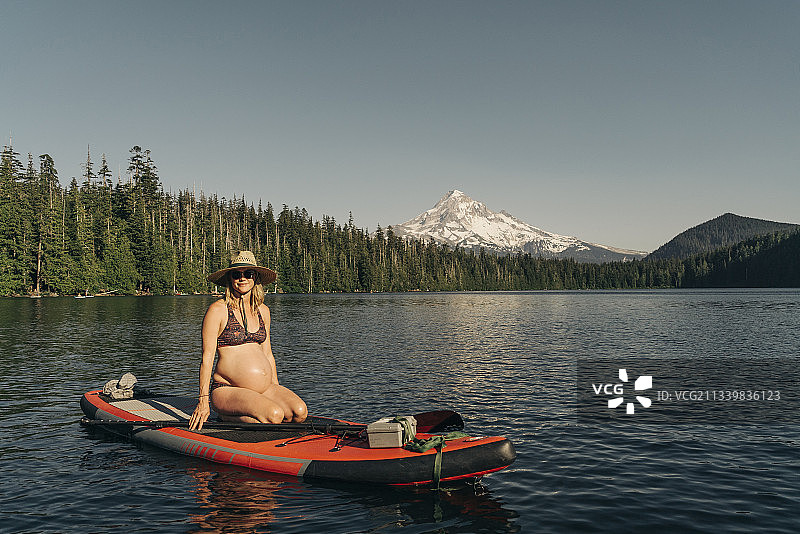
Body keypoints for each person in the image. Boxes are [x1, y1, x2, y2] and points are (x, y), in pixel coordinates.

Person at [189, 251, 308, 430]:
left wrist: (275, 387)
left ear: (256, 278)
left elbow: (267, 353)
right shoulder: (218, 310)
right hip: (227, 389)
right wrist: (203, 401)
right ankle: (226, 416)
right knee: (275, 415)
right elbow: (206, 359)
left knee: (299, 412)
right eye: (237, 274)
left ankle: (263, 408)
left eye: (248, 274)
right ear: (230, 278)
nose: (242, 278)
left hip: (264, 388)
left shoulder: (263, 311)